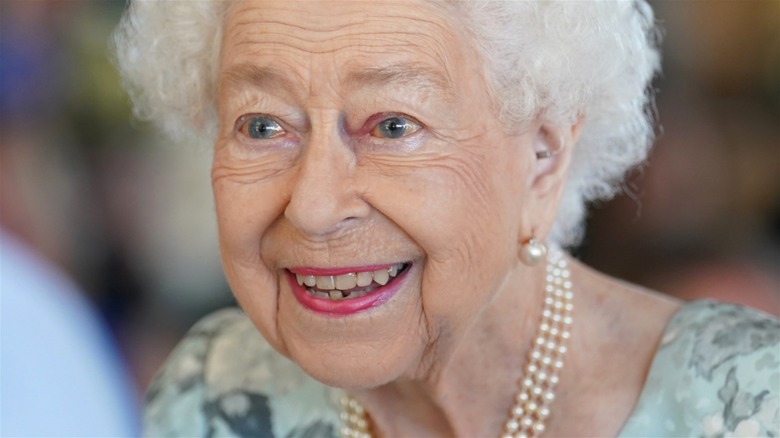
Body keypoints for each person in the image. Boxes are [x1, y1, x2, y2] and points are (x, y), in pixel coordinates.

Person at [113, 1, 780, 437]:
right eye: (262, 124)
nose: (313, 207)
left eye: (394, 125)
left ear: (543, 157)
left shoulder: (743, 407)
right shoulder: (213, 397)